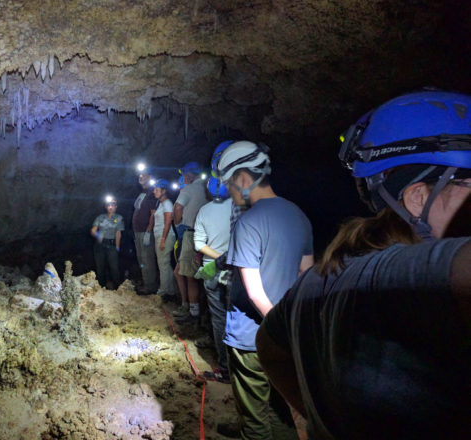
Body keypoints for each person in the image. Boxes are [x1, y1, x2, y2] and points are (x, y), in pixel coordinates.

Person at [257, 90, 471, 440]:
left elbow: (269, 348)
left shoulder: (317, 280)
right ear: (418, 197)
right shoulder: (415, 274)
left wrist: (322, 420)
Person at [217, 140, 314, 440]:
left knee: (255, 422)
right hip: (284, 336)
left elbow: (255, 293)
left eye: (229, 187)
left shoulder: (248, 222)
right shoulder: (298, 214)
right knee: (278, 407)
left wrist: (278, 328)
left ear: (244, 179)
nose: (229, 196)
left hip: (250, 338)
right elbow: (308, 276)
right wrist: (292, 331)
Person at [193, 176, 232, 377]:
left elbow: (199, 244)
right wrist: (228, 257)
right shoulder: (240, 207)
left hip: (212, 269)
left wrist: (218, 257)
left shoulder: (204, 211)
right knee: (238, 317)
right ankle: (242, 366)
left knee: (218, 317)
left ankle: (224, 366)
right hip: (237, 269)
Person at [172, 161, 210, 324]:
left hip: (191, 234)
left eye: (184, 176)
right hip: (208, 235)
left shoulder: (189, 189)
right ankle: (197, 309)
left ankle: (193, 313)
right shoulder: (208, 189)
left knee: (190, 275)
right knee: (199, 275)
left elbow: (178, 207)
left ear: (188, 175)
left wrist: (178, 222)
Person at [132, 166, 159, 295]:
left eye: (144, 174)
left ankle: (150, 286)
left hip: (145, 231)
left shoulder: (152, 193)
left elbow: (153, 213)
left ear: (150, 177)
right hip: (138, 231)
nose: (140, 176)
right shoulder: (142, 193)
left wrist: (149, 230)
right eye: (139, 174)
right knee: (141, 259)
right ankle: (145, 281)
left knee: (147, 258)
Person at [91, 195, 124, 289]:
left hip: (112, 245)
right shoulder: (100, 217)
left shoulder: (119, 218)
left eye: (112, 205)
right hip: (100, 245)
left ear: (116, 206)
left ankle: (117, 288)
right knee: (100, 268)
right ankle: (101, 287)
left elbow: (118, 233)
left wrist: (117, 247)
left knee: (114, 268)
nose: (110, 207)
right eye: (108, 205)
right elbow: (93, 230)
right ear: (106, 206)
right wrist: (98, 235)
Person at [151, 178, 176, 299]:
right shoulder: (161, 204)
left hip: (164, 236)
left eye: (157, 189)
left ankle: (163, 292)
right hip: (161, 236)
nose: (154, 191)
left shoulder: (167, 203)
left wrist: (162, 239)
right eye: (154, 189)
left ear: (164, 191)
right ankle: (171, 290)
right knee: (165, 264)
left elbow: (168, 223)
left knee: (163, 264)